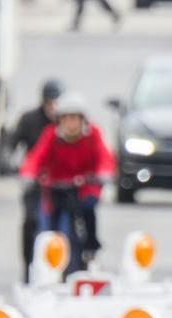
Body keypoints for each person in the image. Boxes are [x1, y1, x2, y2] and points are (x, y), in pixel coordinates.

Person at [18, 94, 115, 278]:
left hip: (83, 187)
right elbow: (36, 158)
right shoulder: (51, 135)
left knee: (88, 209)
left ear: (82, 119)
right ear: (59, 120)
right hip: (55, 188)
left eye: (74, 118)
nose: (70, 123)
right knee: (41, 224)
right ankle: (36, 267)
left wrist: (104, 173)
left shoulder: (93, 134)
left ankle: (90, 248)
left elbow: (105, 157)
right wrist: (28, 174)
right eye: (66, 118)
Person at [9, 80, 65, 274]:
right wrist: (12, 163)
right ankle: (29, 265)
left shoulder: (67, 122)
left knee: (75, 218)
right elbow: (14, 145)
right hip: (35, 180)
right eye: (49, 103)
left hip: (62, 182)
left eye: (56, 103)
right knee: (31, 220)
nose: (53, 108)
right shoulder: (29, 120)